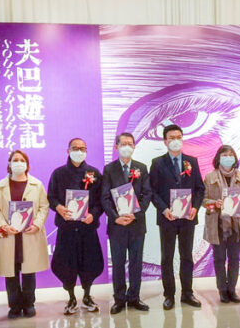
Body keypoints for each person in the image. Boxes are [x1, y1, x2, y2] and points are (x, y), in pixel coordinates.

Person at [149, 125, 206, 310]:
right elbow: (152, 191)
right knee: (167, 257)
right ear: (165, 141)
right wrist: (164, 209)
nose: (176, 140)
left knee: (187, 256)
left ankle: (187, 293)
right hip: (168, 218)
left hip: (187, 218)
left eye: (179, 137)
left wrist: (195, 207)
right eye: (171, 137)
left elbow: (200, 189)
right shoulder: (157, 163)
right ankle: (169, 295)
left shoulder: (192, 161)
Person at [0, 150, 50, 319]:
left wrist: (37, 224)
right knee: (11, 272)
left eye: (22, 160)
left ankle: (29, 304)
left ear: (27, 164)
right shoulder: (0, 186)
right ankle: (14, 305)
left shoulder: (36, 185)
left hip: (29, 234)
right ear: (9, 164)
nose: (18, 163)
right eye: (15, 160)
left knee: (29, 271)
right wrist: (3, 225)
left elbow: (44, 207)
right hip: (9, 235)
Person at [49, 138, 105, 315]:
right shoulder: (58, 173)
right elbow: (51, 198)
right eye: (75, 148)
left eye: (82, 148)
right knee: (66, 264)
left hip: (87, 229)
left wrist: (93, 215)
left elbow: (101, 201)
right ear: (68, 151)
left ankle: (87, 295)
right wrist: (59, 208)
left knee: (90, 263)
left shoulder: (94, 173)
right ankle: (71, 297)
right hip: (66, 229)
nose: (79, 151)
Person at [101, 132, 152, 314]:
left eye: (130, 143)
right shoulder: (109, 169)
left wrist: (135, 214)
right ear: (116, 147)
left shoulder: (141, 168)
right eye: (123, 144)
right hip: (117, 225)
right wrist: (116, 217)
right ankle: (119, 298)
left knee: (136, 263)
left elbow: (147, 194)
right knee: (118, 262)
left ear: (134, 146)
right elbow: (104, 197)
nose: (127, 147)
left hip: (136, 224)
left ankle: (134, 297)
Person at [202, 145, 240, 304]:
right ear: (218, 158)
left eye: (231, 155)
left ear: (235, 158)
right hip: (217, 224)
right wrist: (213, 203)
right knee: (219, 259)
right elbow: (203, 200)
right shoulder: (210, 177)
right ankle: (222, 290)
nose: (228, 158)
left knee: (234, 258)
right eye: (225, 155)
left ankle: (232, 289)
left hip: (236, 225)